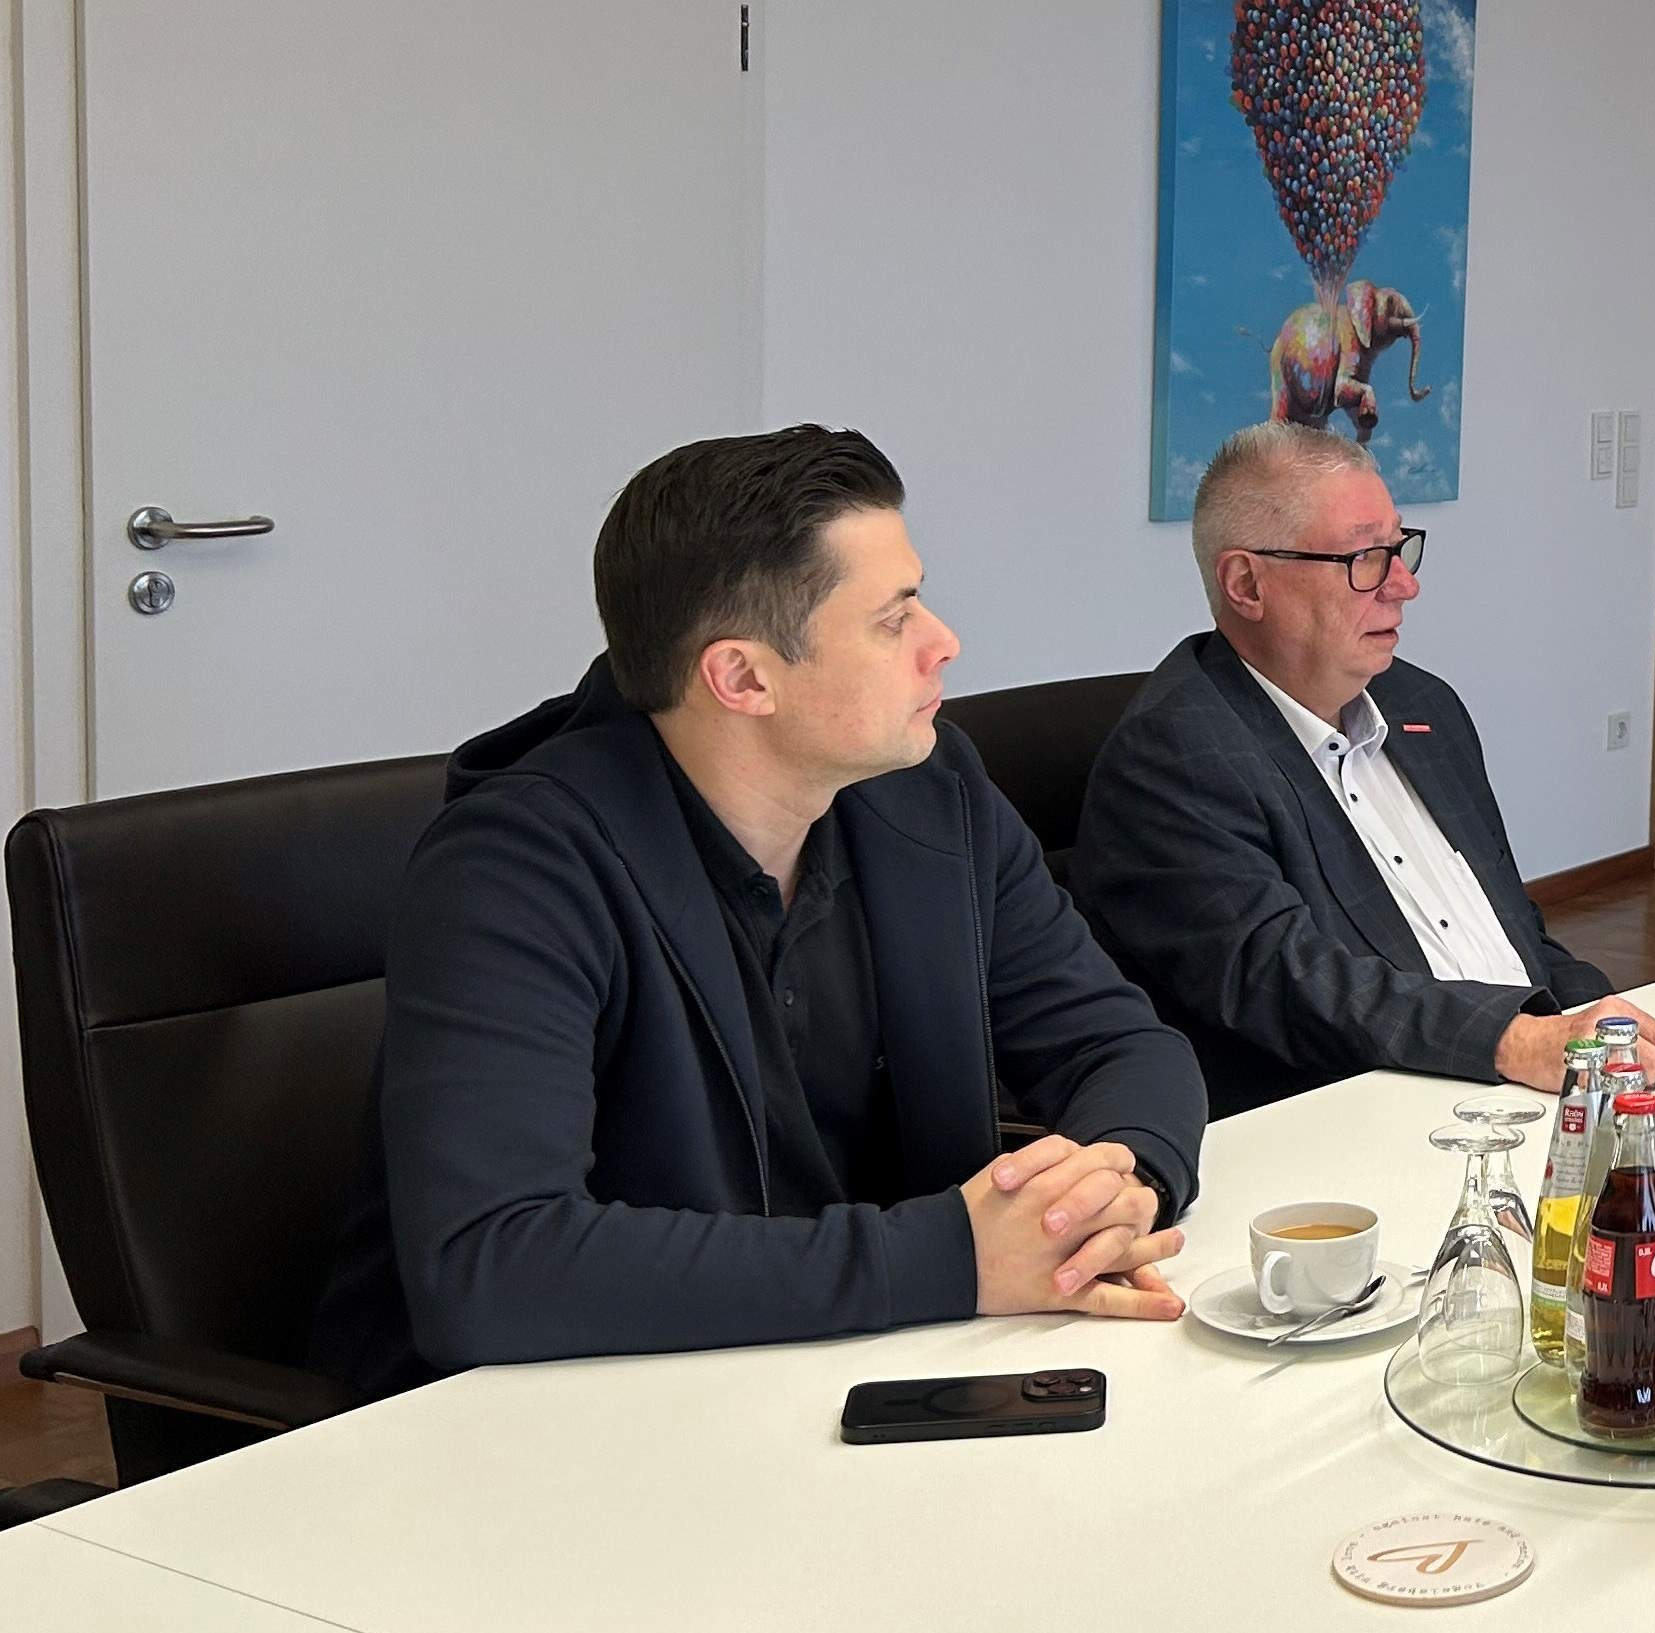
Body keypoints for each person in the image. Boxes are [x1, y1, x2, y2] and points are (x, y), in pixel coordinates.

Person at [310, 427, 1208, 1398]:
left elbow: (1123, 1045)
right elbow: (493, 1264)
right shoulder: (515, 868)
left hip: (838, 1372)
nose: (942, 641)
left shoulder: (928, 792)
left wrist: (1116, 1188)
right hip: (526, 1434)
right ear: (742, 678)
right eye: (892, 618)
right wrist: (953, 1258)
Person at [1075, 423, 1655, 1115]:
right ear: (1245, 583)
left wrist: (1607, 1022)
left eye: (1400, 547)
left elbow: (1513, 933)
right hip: (1357, 1123)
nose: (1404, 585)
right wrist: (1517, 1041)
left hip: (1519, 1094)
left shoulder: (1423, 704)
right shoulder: (1173, 757)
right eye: (1365, 558)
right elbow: (1292, 984)